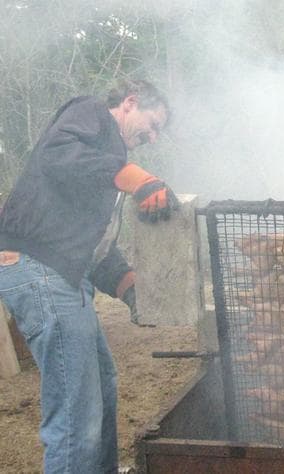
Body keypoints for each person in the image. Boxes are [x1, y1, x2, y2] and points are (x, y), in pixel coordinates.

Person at [0, 79, 178, 473]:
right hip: (37, 268)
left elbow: (94, 251)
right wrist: (137, 179)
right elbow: (57, 154)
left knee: (102, 386)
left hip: (62, 273)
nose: (151, 137)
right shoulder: (91, 113)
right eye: (151, 125)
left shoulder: (105, 168)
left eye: (157, 134)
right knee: (76, 412)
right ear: (130, 103)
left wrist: (130, 287)